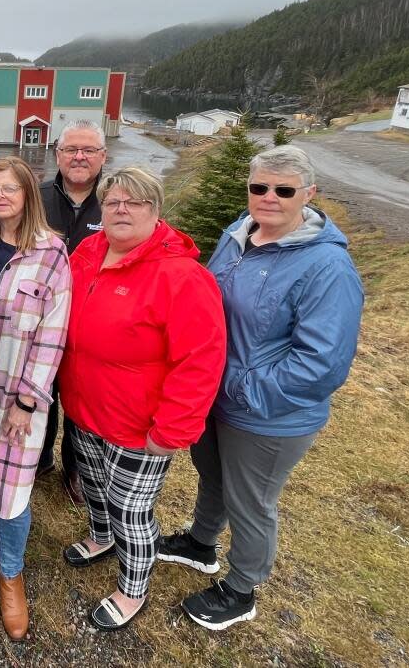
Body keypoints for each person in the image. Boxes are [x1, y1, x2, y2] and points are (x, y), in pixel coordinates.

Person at [158, 144, 364, 631]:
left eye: (284, 190)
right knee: (213, 472)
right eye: (259, 187)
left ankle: (242, 588)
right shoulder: (236, 235)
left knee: (251, 499)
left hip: (268, 412)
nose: (269, 197)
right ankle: (200, 543)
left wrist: (239, 386)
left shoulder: (327, 268)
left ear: (308, 194)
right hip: (214, 394)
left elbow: (321, 364)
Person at [60, 167, 226, 631]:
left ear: (156, 211)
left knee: (129, 509)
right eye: (113, 201)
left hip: (139, 423)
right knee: (93, 487)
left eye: (134, 202)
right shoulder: (88, 253)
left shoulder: (182, 277)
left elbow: (200, 360)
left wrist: (172, 430)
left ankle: (132, 588)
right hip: (83, 406)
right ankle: (99, 536)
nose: (121, 210)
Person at [0, 157, 71, 640]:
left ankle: (10, 574)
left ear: (28, 194)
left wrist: (28, 401)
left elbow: (53, 333)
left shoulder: (51, 253)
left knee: (17, 488)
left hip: (17, 392)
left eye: (9, 188)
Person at [38, 119, 109, 503]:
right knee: (42, 392)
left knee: (82, 400)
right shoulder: (39, 196)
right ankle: (40, 456)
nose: (79, 157)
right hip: (43, 319)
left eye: (88, 150)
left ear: (103, 156)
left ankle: (77, 468)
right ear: (57, 154)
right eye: (70, 150)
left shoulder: (116, 199)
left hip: (92, 323)